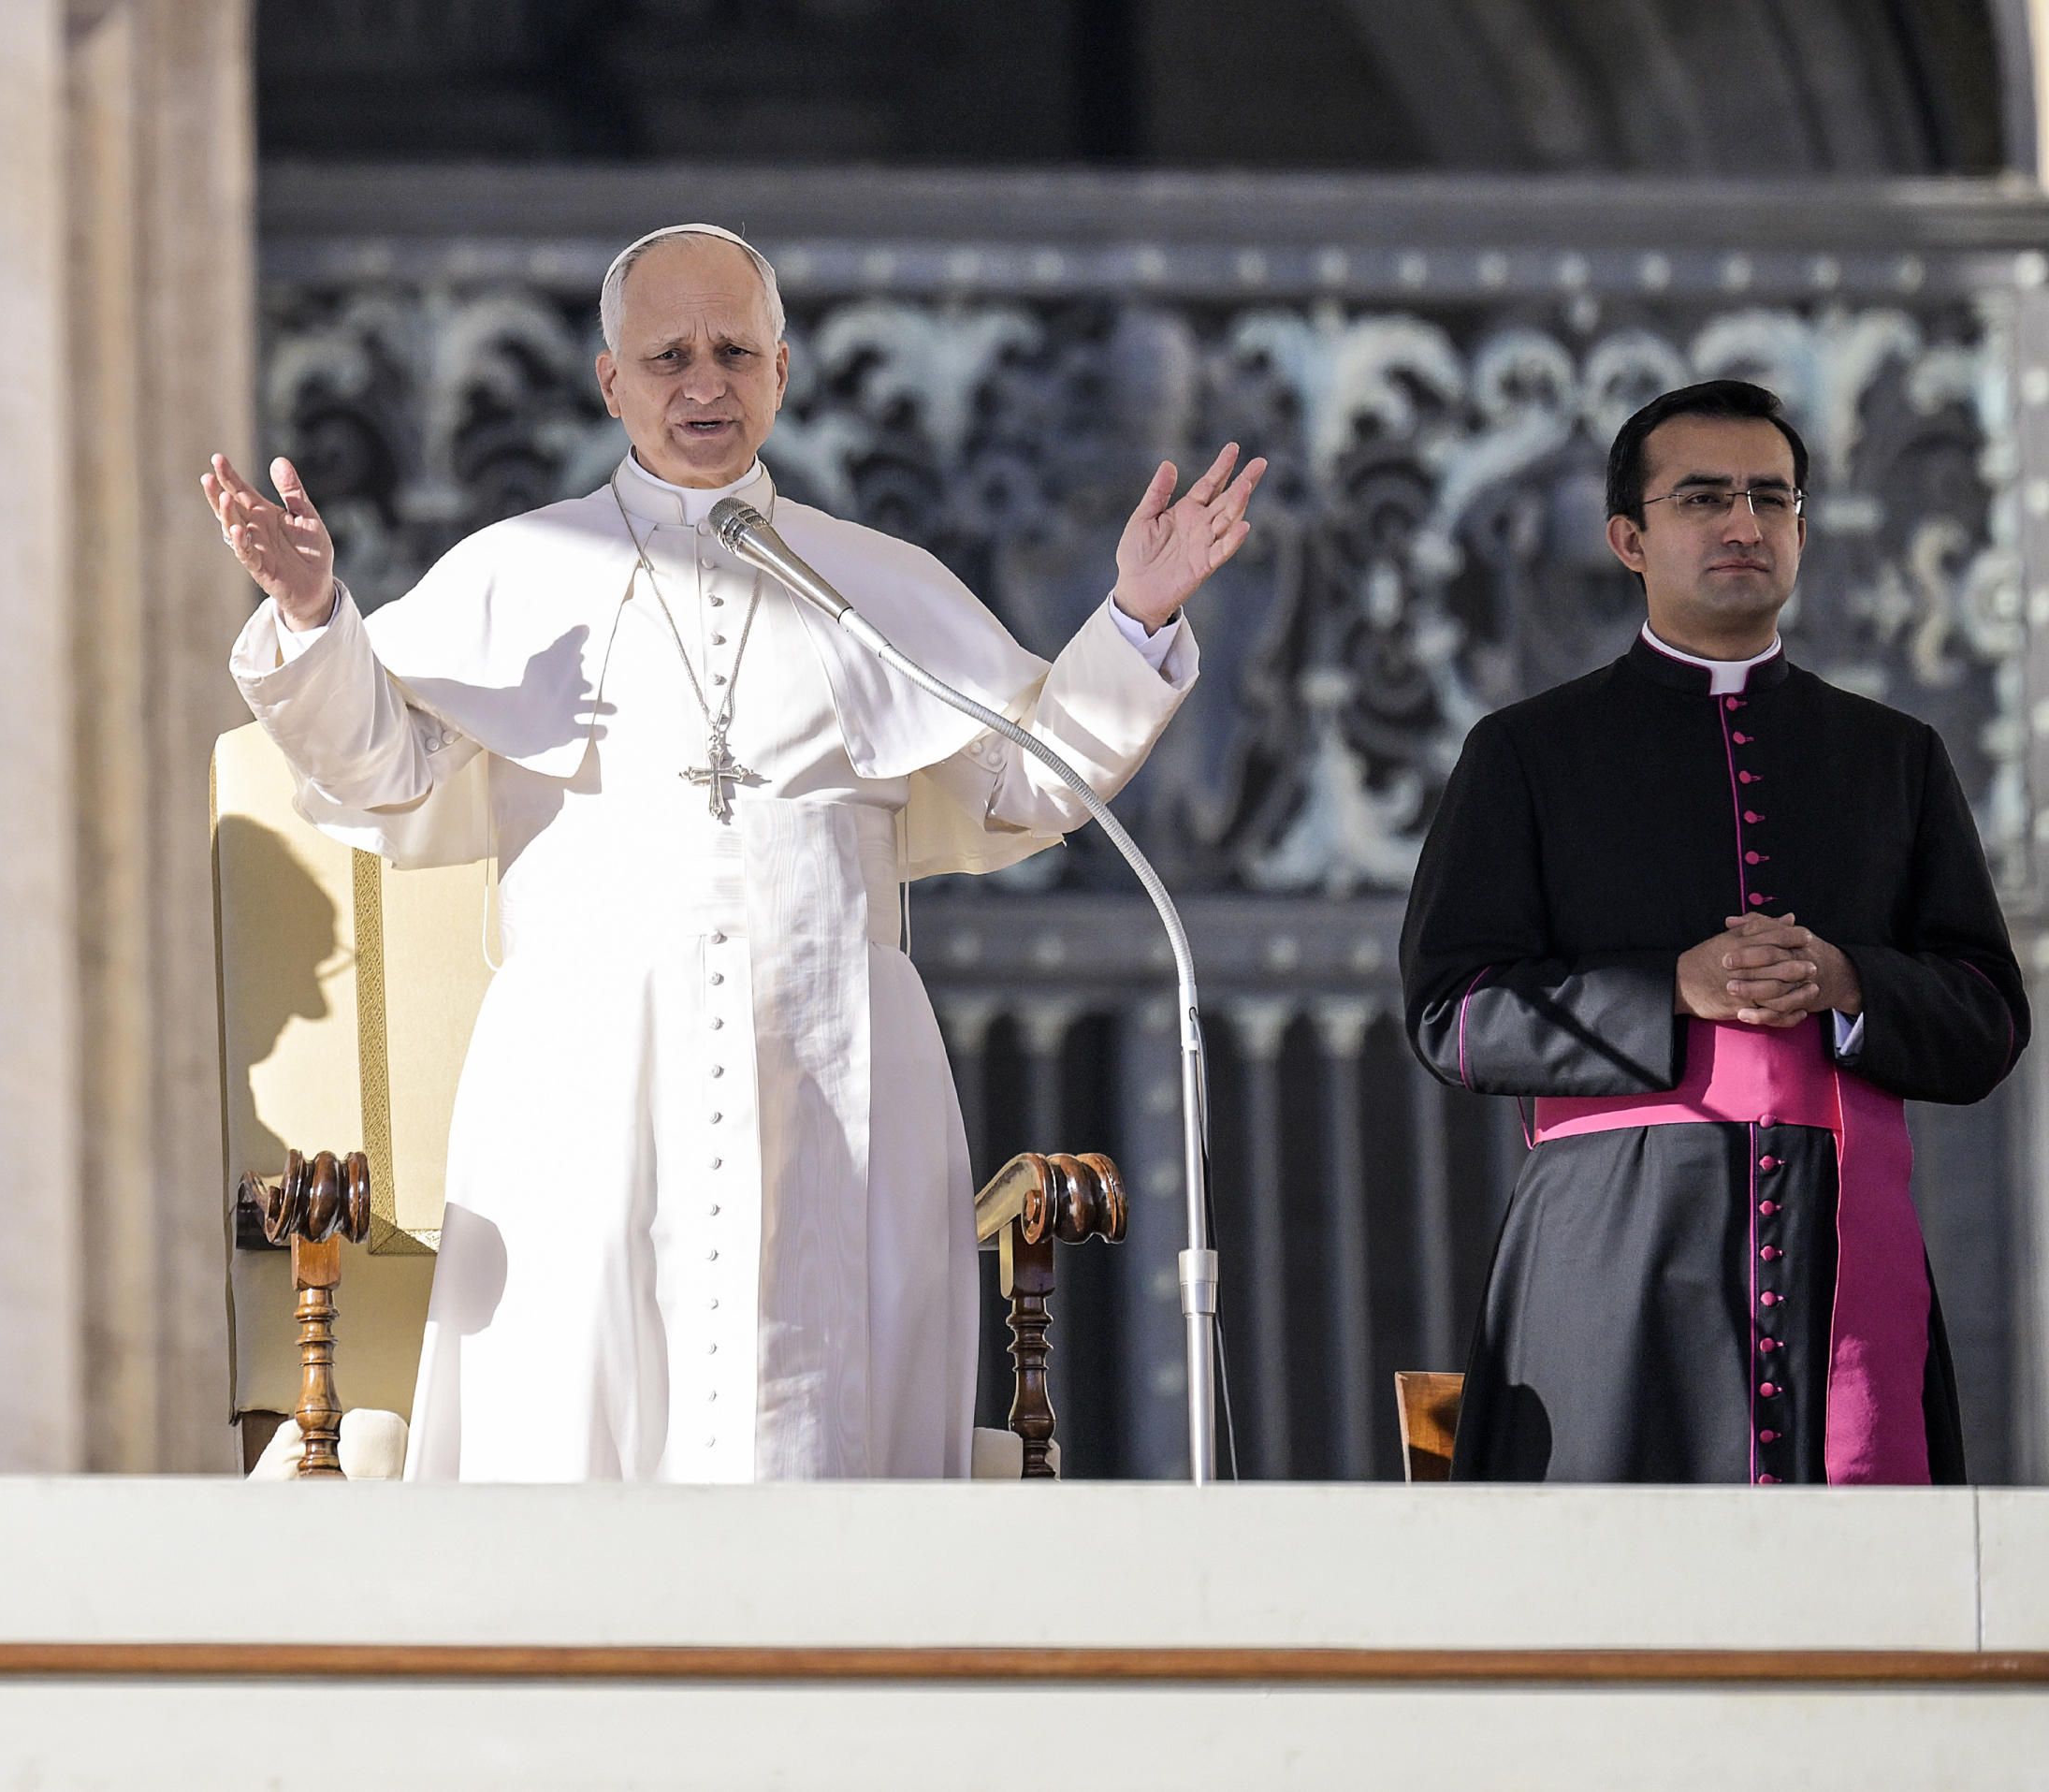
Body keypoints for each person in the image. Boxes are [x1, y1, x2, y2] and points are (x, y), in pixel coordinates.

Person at [211, 224, 1263, 1480]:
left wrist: (1134, 616)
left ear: (781, 370)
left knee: (819, 1429)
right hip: (586, 1080)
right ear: (611, 382)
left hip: (835, 1075)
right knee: (575, 1427)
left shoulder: (875, 579)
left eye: (732, 350)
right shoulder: (518, 571)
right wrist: (317, 619)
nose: (702, 381)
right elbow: (380, 765)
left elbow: (1021, 775)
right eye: (667, 355)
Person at [1402, 379, 2027, 1484]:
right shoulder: (1529, 754)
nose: (1744, 524)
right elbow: (1454, 1015)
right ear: (1629, 538)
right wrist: (1669, 990)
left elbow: (1988, 1016)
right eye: (1703, 499)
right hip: (1613, 1249)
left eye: (1770, 499)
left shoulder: (1894, 757)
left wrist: (1849, 981)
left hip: (1841, 1241)